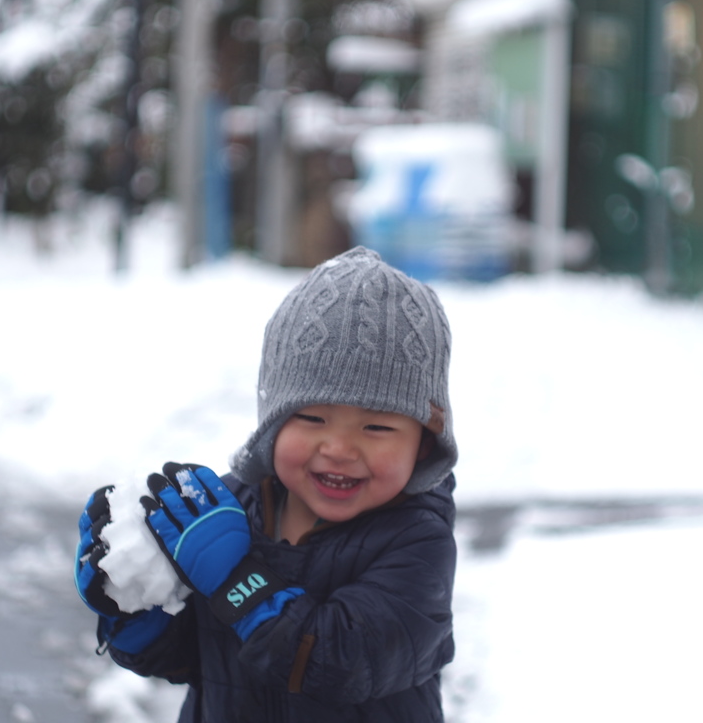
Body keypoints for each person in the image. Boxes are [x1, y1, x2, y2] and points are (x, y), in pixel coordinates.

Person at [75, 246, 458, 721]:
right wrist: (128, 603)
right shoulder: (228, 509)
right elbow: (193, 656)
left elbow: (339, 664)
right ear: (272, 423)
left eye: (376, 427)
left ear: (423, 443)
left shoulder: (417, 542)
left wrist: (236, 579)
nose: (338, 447)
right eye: (313, 417)